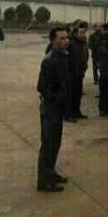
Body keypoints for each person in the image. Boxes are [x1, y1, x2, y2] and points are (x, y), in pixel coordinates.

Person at [36, 27, 70, 192]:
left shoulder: (63, 57)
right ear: (53, 40)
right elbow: (42, 86)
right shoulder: (49, 60)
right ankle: (44, 180)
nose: (66, 41)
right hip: (50, 108)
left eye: (66, 38)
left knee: (55, 142)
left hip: (58, 107)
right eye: (61, 38)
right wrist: (56, 98)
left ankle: (50, 172)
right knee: (48, 143)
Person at [66, 25, 89, 122]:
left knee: (78, 94)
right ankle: (68, 114)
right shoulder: (69, 43)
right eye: (81, 33)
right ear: (75, 33)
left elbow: (85, 55)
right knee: (70, 94)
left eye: (84, 32)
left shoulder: (83, 43)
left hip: (79, 72)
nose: (83, 34)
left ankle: (76, 111)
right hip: (71, 73)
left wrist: (84, 66)